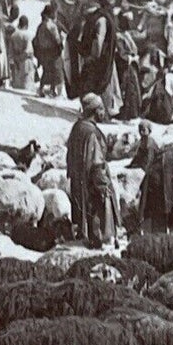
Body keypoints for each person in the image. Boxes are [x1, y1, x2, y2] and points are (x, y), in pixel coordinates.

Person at [67, 92, 120, 246]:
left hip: (78, 181)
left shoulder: (77, 128)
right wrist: (103, 186)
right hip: (92, 185)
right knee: (97, 217)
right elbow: (97, 164)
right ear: (96, 111)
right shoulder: (92, 133)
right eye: (102, 109)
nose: (104, 113)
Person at [33, 3, 65, 97]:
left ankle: (42, 89)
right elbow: (57, 39)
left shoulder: (41, 25)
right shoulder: (51, 26)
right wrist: (61, 42)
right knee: (56, 71)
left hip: (43, 52)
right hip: (53, 52)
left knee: (46, 71)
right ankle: (52, 91)